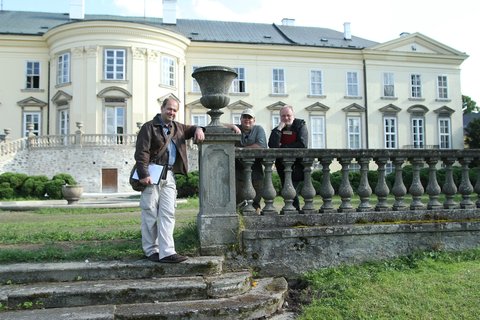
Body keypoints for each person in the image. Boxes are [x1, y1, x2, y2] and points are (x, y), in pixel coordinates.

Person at [134, 97, 205, 263]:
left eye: (174, 110)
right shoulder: (149, 127)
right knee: (150, 213)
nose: (172, 112)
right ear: (162, 108)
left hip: (169, 175)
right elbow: (141, 152)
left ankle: (167, 252)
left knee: (168, 213)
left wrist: (199, 129)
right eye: (169, 109)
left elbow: (194, 128)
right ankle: (151, 250)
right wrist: (144, 174)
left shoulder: (178, 127)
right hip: (152, 174)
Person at [225, 108, 267, 211]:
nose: (247, 119)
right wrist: (232, 126)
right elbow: (216, 125)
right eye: (245, 117)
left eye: (250, 117)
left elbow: (261, 146)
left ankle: (256, 218)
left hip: (256, 170)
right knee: (239, 198)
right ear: (241, 119)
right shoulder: (236, 128)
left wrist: (241, 150)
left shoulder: (258, 129)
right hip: (238, 171)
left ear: (254, 120)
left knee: (256, 199)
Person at [268, 105, 308, 211]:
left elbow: (302, 144)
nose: (286, 118)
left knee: (291, 189)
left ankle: (293, 210)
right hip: (282, 165)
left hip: (297, 165)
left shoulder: (301, 125)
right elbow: (272, 145)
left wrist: (283, 147)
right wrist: (279, 129)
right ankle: (294, 210)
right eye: (283, 116)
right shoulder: (278, 129)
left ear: (293, 115)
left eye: (288, 115)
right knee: (287, 189)